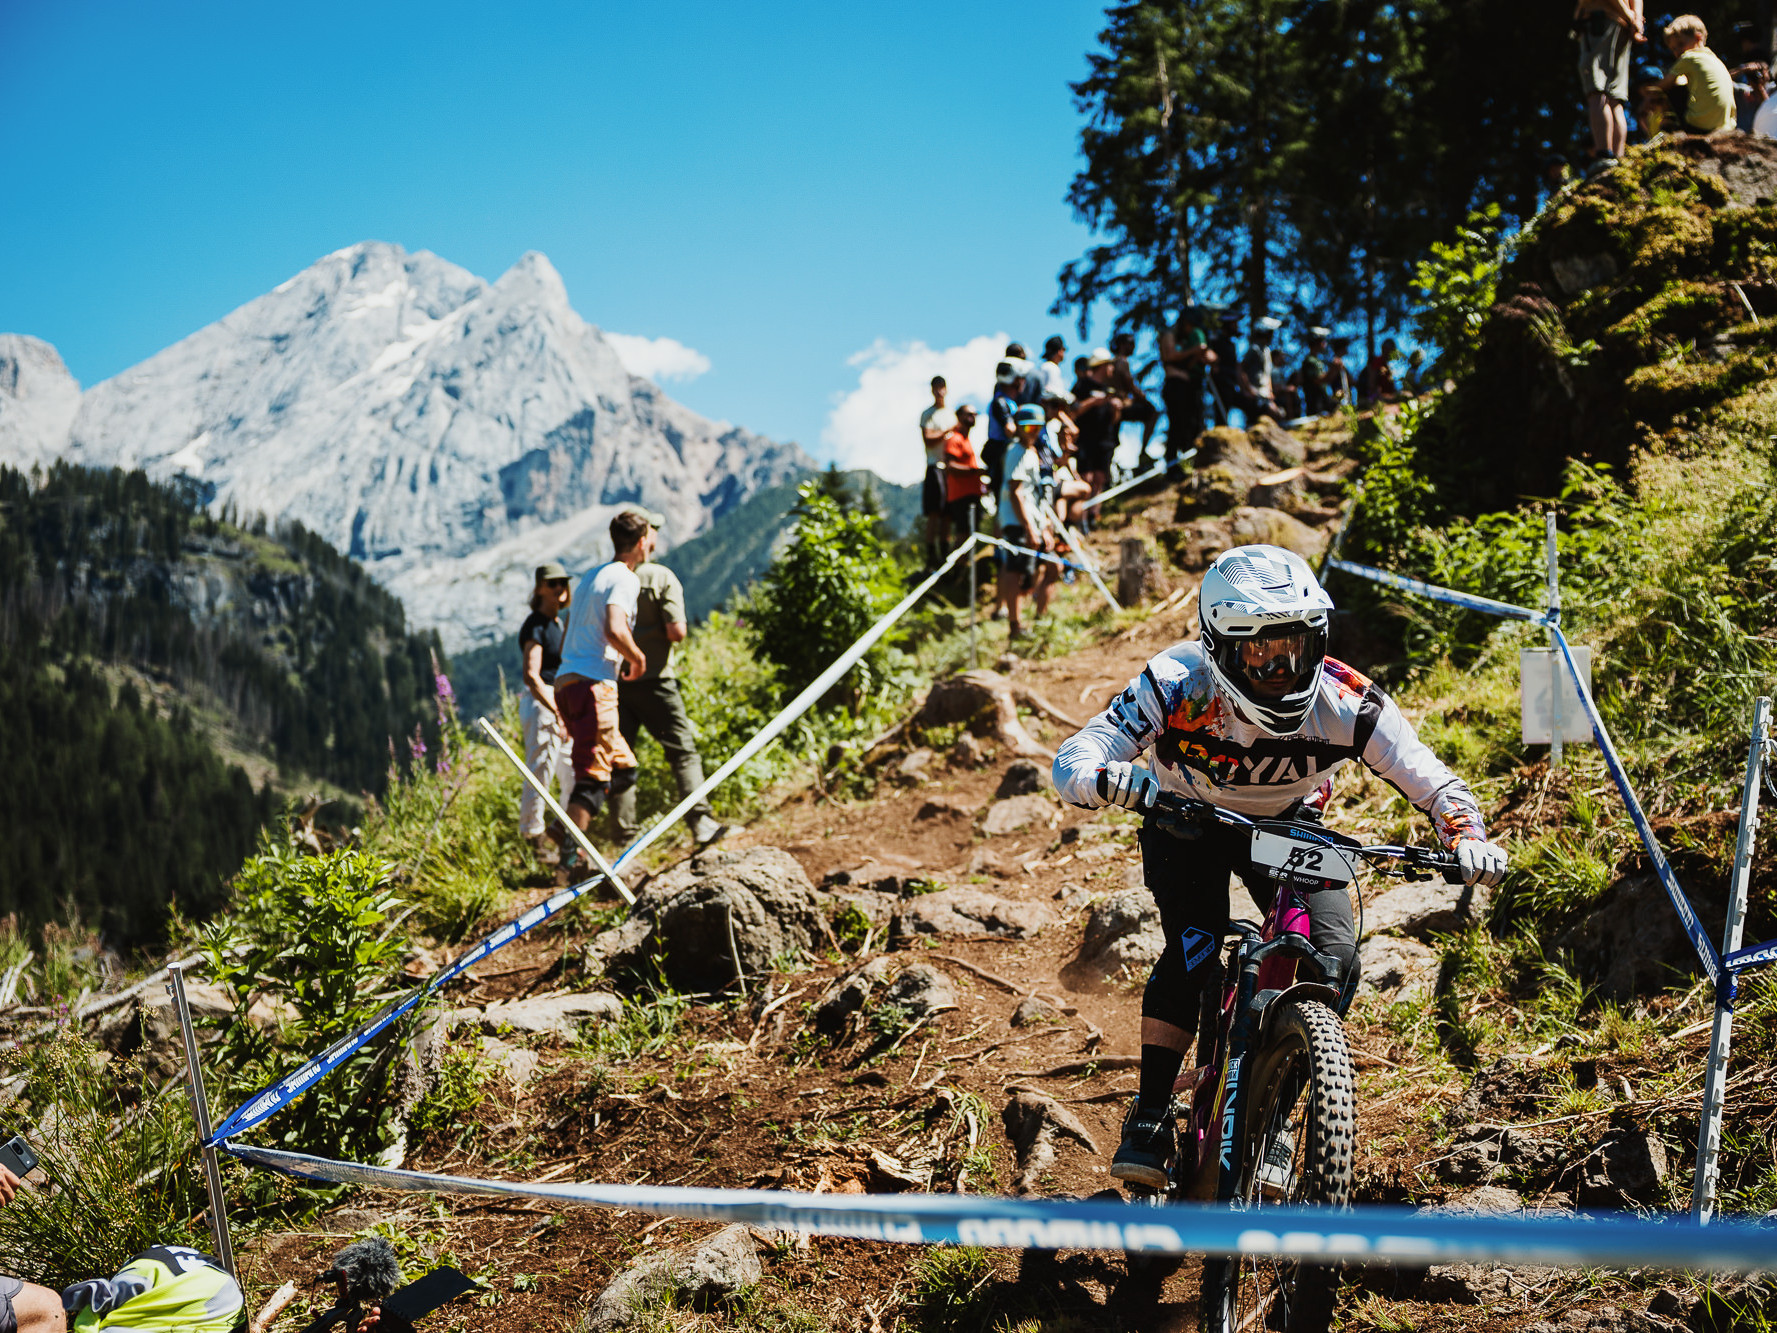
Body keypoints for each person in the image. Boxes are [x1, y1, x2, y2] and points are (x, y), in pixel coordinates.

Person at [1050, 544, 1508, 1187]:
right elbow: (1074, 757)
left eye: (1297, 646)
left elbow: (1433, 778)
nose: (1283, 669)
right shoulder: (1178, 681)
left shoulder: (1350, 700)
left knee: (1335, 957)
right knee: (1195, 946)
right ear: (1217, 645)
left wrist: (1465, 833)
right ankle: (1151, 1111)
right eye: (1260, 652)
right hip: (1188, 822)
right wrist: (1112, 780)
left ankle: (1278, 1111)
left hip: (1287, 828)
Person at [551, 506, 654, 872]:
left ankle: (571, 830)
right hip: (594, 686)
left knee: (623, 769)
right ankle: (570, 857)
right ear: (642, 543)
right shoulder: (626, 578)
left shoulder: (591, 577)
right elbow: (614, 627)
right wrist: (637, 659)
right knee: (594, 777)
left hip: (568, 682)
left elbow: (567, 638)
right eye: (651, 542)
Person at [612, 557, 731, 852]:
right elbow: (677, 632)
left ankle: (624, 838)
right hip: (655, 680)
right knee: (683, 752)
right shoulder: (659, 576)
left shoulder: (606, 578)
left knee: (621, 758)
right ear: (644, 539)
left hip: (616, 682)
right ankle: (700, 822)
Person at [518, 562, 575, 857]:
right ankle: (533, 839)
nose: (559, 589)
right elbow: (532, 674)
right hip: (543, 703)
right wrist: (557, 711)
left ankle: (561, 830)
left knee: (571, 772)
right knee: (540, 770)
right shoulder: (536, 625)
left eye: (563, 583)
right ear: (539, 588)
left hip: (556, 702)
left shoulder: (556, 624)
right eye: (553, 584)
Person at [997, 404, 1058, 641]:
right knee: (1015, 571)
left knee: (1052, 566)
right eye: (1027, 427)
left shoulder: (1031, 452)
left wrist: (1043, 527)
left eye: (1036, 427)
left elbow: (1033, 496)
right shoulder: (1016, 452)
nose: (1031, 431)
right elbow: (1016, 492)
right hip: (1017, 523)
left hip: (1031, 521)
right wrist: (1030, 528)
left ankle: (1039, 620)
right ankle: (1016, 626)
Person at [1575, 0, 1645, 164]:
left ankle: (1604, 155)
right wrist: (1636, 20)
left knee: (1597, 91)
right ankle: (1617, 159)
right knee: (1614, 97)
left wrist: (1630, 16)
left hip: (1600, 21)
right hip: (1621, 27)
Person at [1157, 308, 1215, 469]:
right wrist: (1194, 351)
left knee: (1193, 423)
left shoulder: (1187, 338)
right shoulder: (1169, 334)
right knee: (1177, 424)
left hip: (1188, 386)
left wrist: (1200, 354)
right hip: (1175, 385)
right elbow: (1170, 356)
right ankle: (1172, 465)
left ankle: (1191, 461)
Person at [1070, 350, 1122, 524]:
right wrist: (1093, 401)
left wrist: (1116, 410)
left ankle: (1094, 516)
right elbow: (1073, 411)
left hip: (1104, 440)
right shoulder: (1082, 386)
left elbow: (1113, 421)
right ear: (1102, 366)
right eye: (1109, 365)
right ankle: (1081, 519)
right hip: (1085, 440)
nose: (1112, 369)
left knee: (1099, 479)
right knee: (1086, 479)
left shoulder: (1110, 390)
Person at [1662, 15, 1736, 132]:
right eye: (1673, 49)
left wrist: (1647, 90)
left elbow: (1663, 85)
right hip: (1725, 126)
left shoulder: (1689, 57)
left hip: (1699, 125)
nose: (1677, 53)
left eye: (1680, 44)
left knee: (1672, 90)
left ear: (1698, 38)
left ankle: (1673, 130)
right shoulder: (1715, 59)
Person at [919, 376, 957, 568]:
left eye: (942, 387)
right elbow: (928, 439)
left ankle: (944, 550)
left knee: (947, 513)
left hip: (949, 468)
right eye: (936, 387)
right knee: (934, 512)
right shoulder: (928, 414)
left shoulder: (951, 414)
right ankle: (931, 553)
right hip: (934, 466)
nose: (939, 391)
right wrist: (946, 432)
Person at [939, 404, 988, 550]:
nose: (972, 417)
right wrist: (975, 471)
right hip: (961, 496)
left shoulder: (966, 440)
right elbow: (950, 466)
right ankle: (956, 569)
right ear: (959, 417)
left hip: (971, 495)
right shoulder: (955, 439)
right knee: (963, 535)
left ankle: (962, 568)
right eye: (969, 414)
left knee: (969, 535)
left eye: (975, 414)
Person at [1109, 332, 1160, 456]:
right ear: (1122, 345)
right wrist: (1141, 397)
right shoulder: (1121, 362)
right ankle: (1143, 452)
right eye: (1130, 343)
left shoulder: (1113, 362)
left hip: (1116, 404)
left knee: (1112, 440)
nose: (1133, 346)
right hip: (1119, 404)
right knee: (1152, 411)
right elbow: (1130, 384)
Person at [1357, 338, 1401, 405]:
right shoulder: (1377, 362)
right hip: (1375, 399)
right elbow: (1371, 383)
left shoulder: (1388, 366)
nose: (1391, 352)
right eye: (1390, 349)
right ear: (1383, 349)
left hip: (1386, 398)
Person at [1038, 335, 1071, 403]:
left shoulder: (1045, 366)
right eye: (1063, 350)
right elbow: (1053, 392)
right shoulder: (1051, 367)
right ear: (1059, 351)